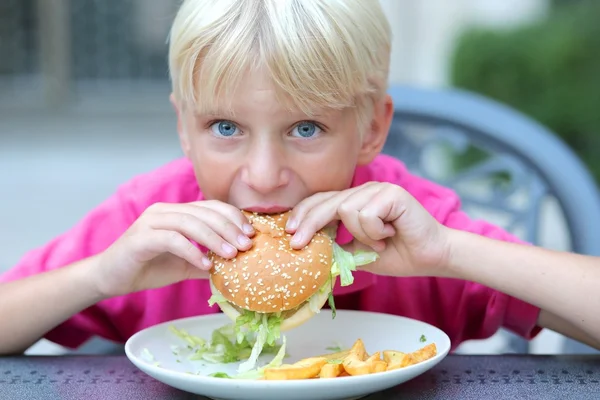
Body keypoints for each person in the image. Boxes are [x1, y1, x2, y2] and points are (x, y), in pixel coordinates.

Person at [0, 0, 598, 356]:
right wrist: (99, 276)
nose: (262, 178)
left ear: (370, 129)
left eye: (306, 128)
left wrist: (452, 253)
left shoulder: (408, 227)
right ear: (184, 126)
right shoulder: (153, 220)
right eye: (226, 127)